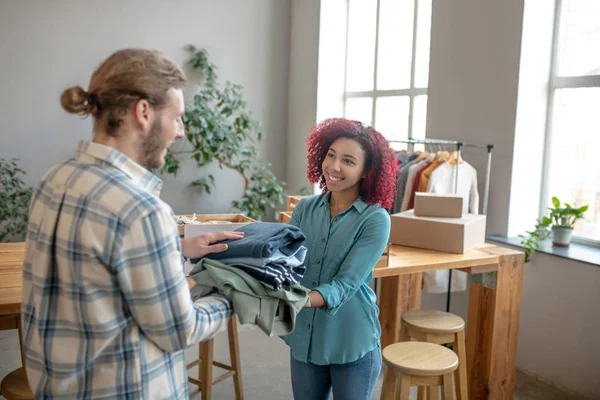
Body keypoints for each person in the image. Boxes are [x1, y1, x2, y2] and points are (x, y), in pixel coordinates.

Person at [20, 48, 243, 399]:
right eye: (176, 118)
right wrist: (234, 293)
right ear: (143, 112)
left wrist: (175, 249)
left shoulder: (53, 181)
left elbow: (95, 275)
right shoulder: (142, 212)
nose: (179, 132)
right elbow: (179, 330)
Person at [282, 118, 398, 399]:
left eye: (347, 160)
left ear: (365, 171)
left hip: (352, 340)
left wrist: (299, 300)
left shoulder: (375, 219)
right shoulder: (305, 208)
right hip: (305, 339)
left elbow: (346, 284)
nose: (334, 167)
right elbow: (287, 263)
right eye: (331, 155)